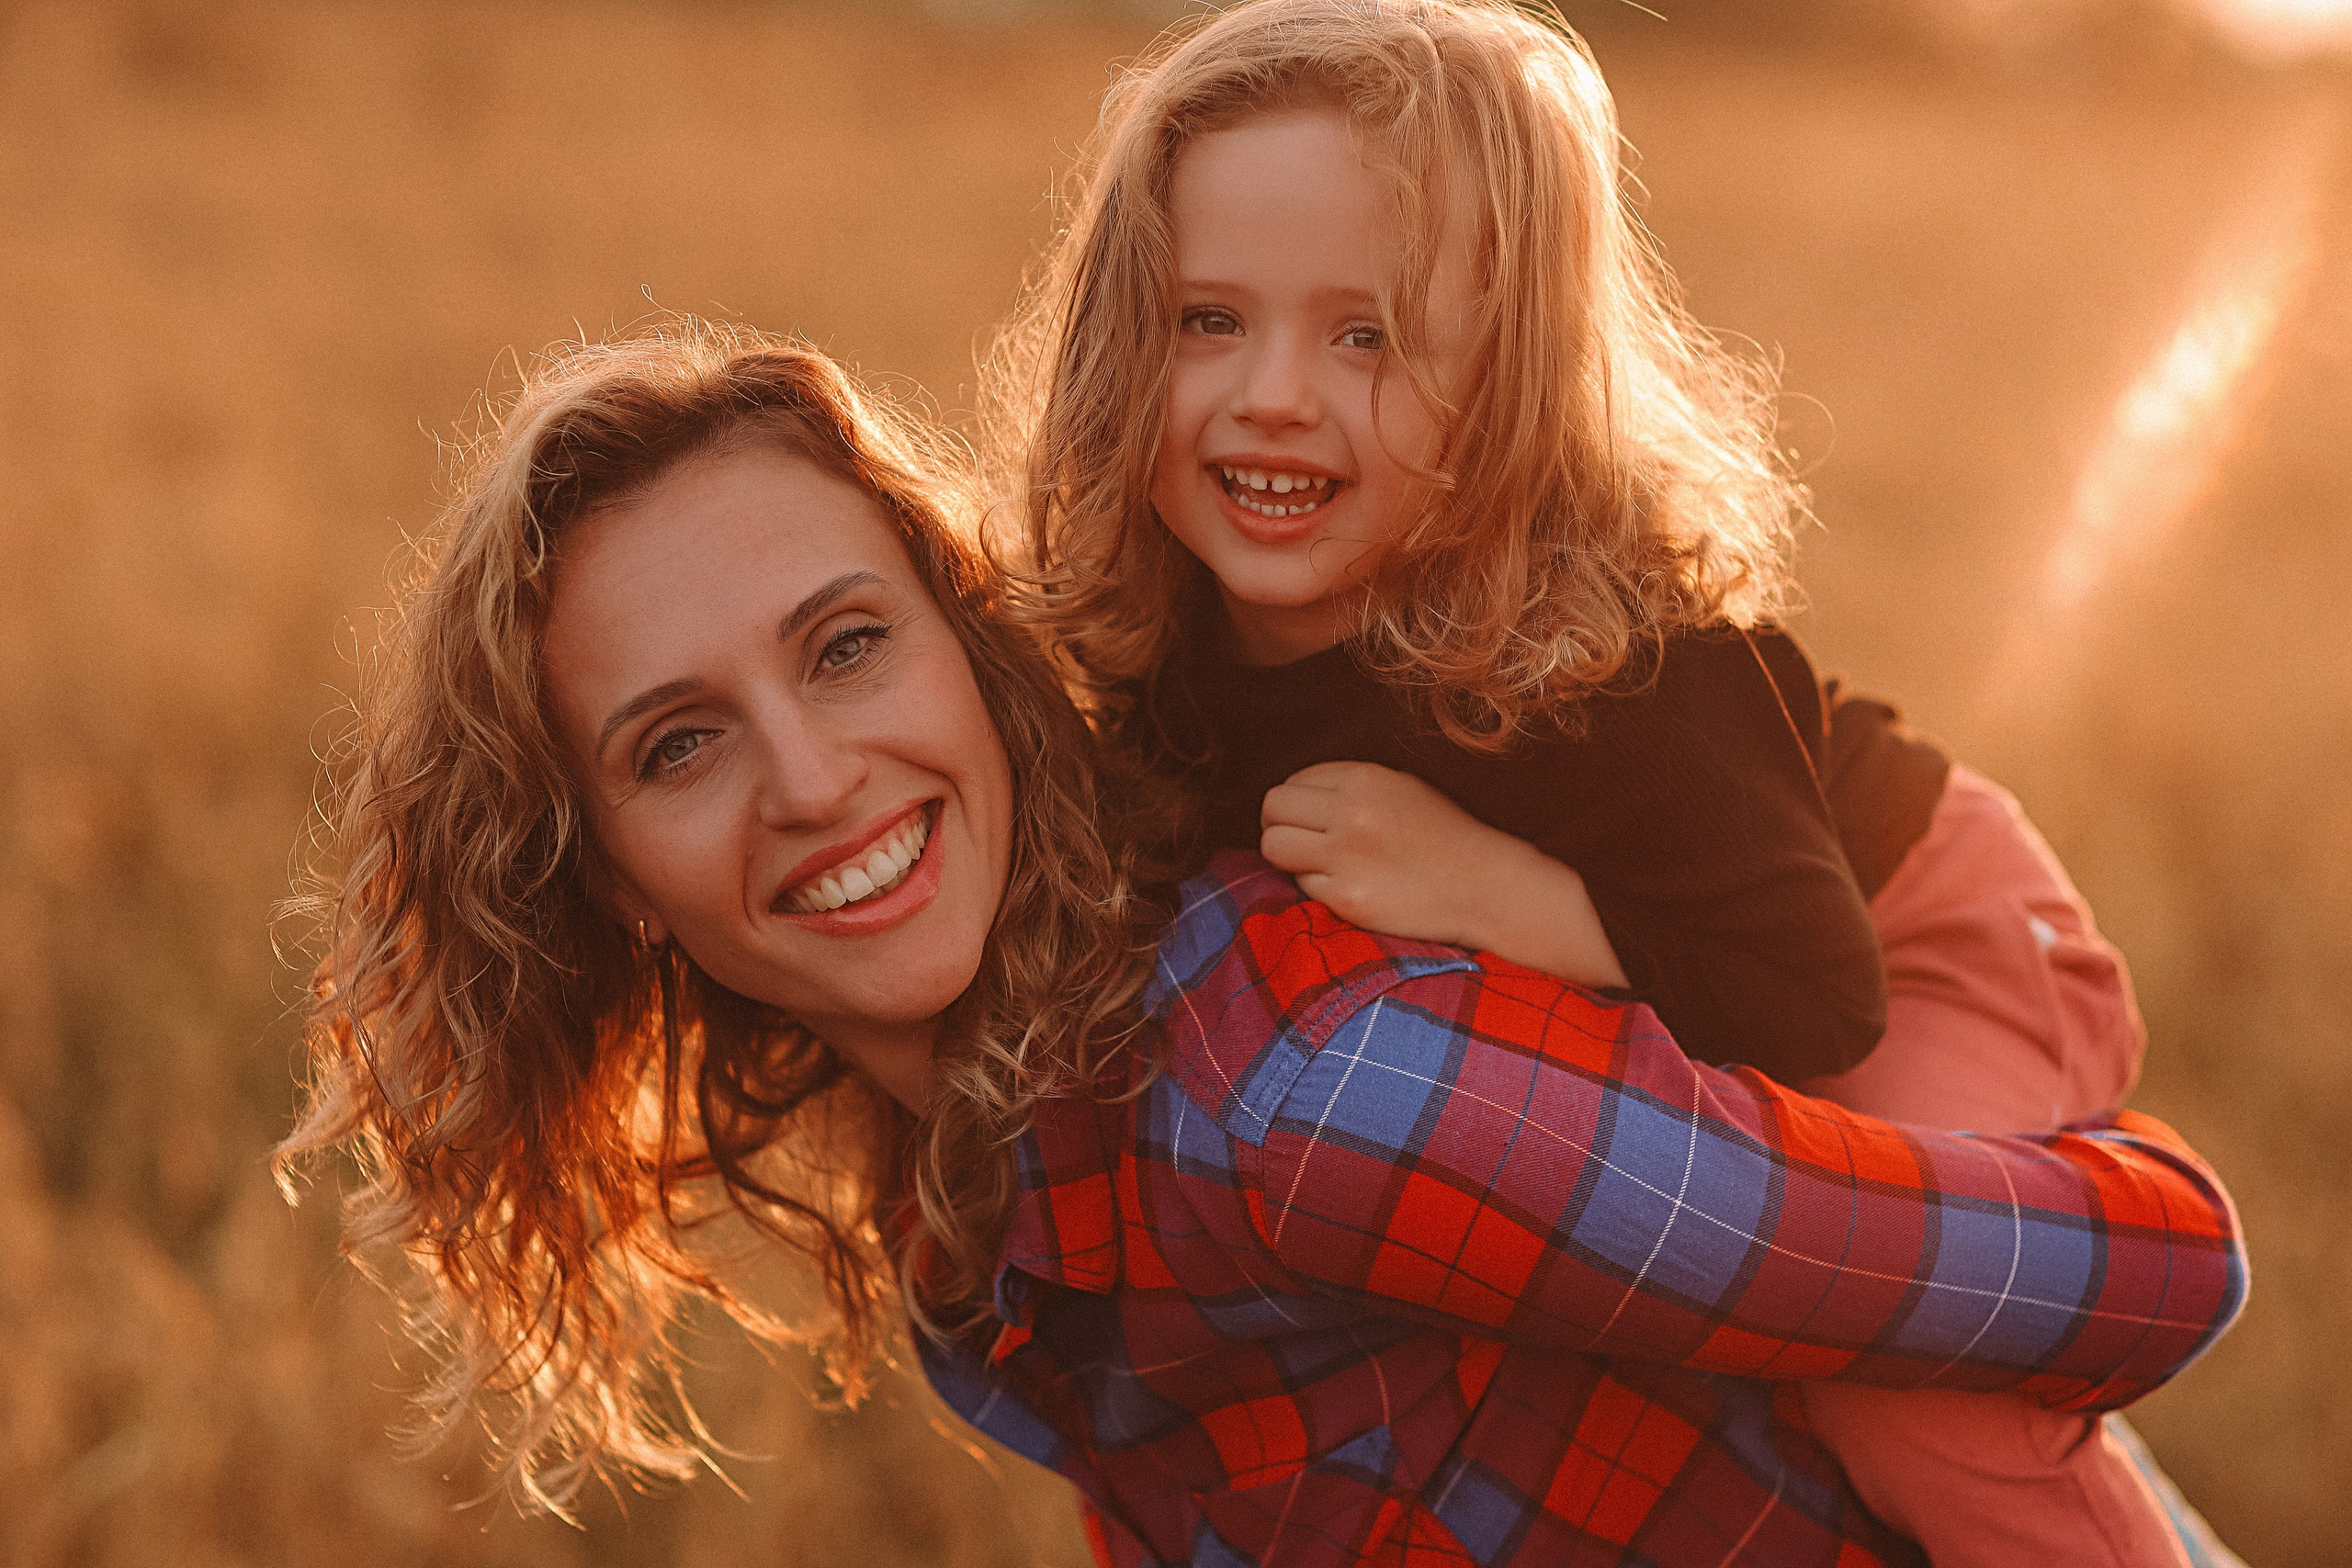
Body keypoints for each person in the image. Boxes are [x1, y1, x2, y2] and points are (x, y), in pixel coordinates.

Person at [283, 321, 2246, 1564]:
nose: (808, 779)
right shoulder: (967, 1201)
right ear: (612, 872)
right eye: (678, 742)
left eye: (846, 642)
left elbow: (2132, 1265)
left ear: (970, 653)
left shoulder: (1315, 1096)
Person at [986, 2, 2211, 1559]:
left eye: (1365, 335)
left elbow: (1818, 999)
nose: (1273, 394)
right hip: (1720, 957)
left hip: (1921, 936)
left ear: (1507, 369)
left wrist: (1508, 899)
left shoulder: (1616, 665)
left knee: (1914, 1380)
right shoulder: (1165, 641)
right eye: (1207, 321)